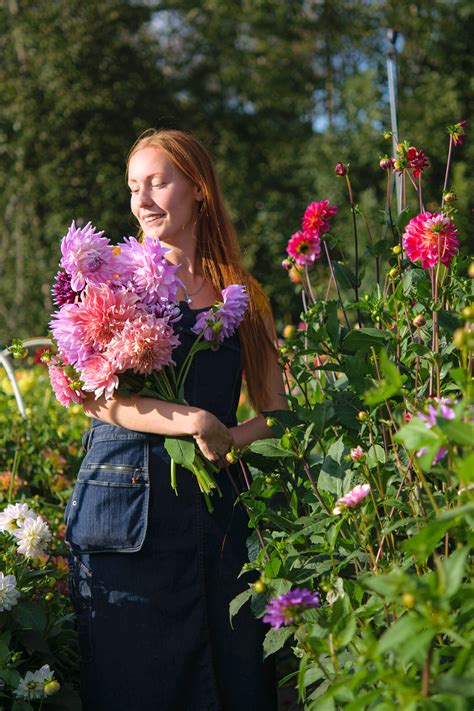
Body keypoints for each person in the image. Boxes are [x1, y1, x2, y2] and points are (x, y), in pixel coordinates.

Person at [64, 129, 287, 711]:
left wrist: (231, 436)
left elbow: (278, 415)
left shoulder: (245, 296)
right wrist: (191, 420)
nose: (142, 200)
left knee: (234, 679)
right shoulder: (108, 281)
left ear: (199, 191)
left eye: (158, 182)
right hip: (124, 513)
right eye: (134, 186)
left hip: (217, 519)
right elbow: (97, 398)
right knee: (138, 684)